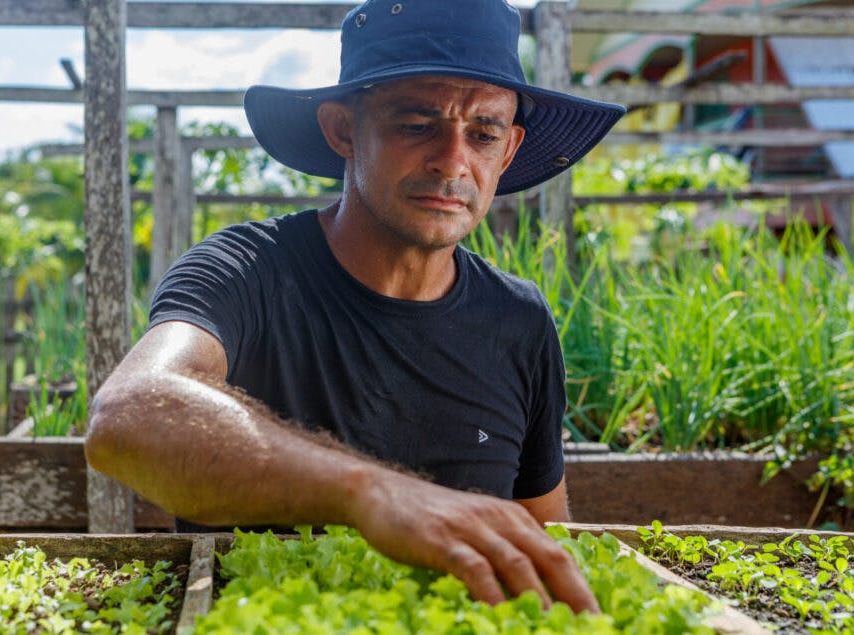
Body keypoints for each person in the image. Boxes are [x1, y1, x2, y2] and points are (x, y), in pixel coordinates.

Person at [85, 0, 624, 614]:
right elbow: (128, 417)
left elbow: (543, 538)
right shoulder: (246, 271)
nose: (453, 161)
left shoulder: (520, 323)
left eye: (482, 133)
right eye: (417, 124)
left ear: (508, 151)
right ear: (343, 129)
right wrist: (372, 493)